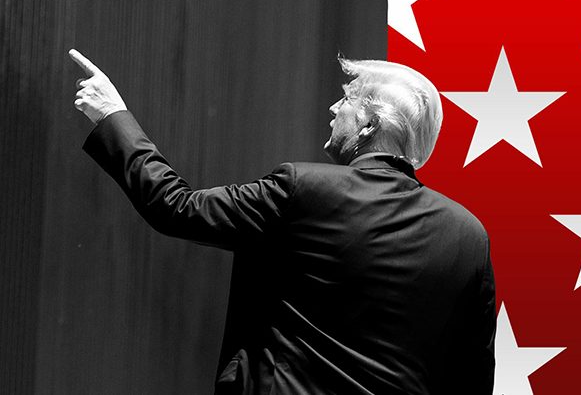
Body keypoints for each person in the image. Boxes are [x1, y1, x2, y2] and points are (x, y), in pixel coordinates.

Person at [69, 49, 496, 395]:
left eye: (347, 98)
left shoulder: (304, 189)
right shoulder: (468, 236)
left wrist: (112, 115)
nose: (334, 107)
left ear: (369, 126)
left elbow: (175, 206)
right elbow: (472, 378)